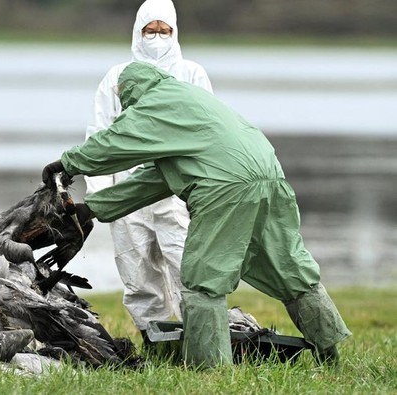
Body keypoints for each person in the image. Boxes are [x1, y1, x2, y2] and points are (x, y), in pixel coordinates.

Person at [42, 61, 351, 368]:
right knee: (291, 270)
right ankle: (331, 356)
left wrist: (68, 164)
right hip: (271, 179)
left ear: (130, 91)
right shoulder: (188, 101)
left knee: (203, 281)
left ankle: (210, 370)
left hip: (226, 188)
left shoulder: (155, 102)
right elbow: (159, 178)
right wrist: (93, 208)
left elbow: (115, 143)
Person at [84, 0, 212, 344]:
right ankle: (155, 342)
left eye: (164, 31)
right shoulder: (115, 78)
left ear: (175, 32)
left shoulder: (192, 74)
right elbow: (99, 135)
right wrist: (100, 195)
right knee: (137, 271)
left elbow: (208, 132)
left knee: (186, 264)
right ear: (137, 32)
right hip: (127, 191)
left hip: (176, 189)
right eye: (150, 31)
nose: (157, 38)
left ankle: (198, 342)